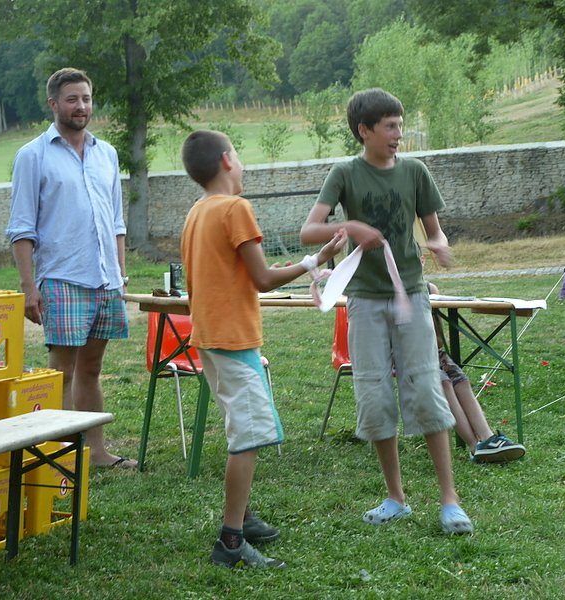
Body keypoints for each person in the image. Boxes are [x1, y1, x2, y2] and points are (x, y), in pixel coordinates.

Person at [300, 88, 473, 535]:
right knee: (374, 396)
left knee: (427, 389)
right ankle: (396, 498)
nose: (398, 134)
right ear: (365, 131)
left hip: (410, 296)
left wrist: (438, 245)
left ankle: (449, 500)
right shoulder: (345, 173)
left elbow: (435, 231)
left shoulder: (415, 172)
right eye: (390, 126)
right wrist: (349, 225)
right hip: (364, 300)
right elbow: (308, 231)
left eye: (400, 125)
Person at [180, 129, 346, 569]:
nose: (243, 162)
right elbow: (262, 280)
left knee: (243, 428)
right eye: (239, 153)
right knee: (248, 438)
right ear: (226, 161)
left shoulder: (197, 212)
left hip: (209, 338)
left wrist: (306, 262)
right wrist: (312, 262)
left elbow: (226, 275)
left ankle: (244, 516)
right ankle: (231, 541)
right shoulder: (236, 208)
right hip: (234, 339)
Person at [6, 67, 134, 469]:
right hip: (61, 278)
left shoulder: (106, 153)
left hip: (104, 279)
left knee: (92, 369)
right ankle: (59, 457)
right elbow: (21, 228)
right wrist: (30, 287)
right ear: (54, 104)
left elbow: (116, 221)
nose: (81, 106)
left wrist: (120, 273)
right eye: (72, 99)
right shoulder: (33, 155)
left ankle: (95, 453)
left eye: (87, 98)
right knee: (61, 372)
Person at [427, 281, 526, 464]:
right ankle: (474, 446)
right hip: (406, 357)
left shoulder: (429, 289)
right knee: (444, 383)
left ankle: (487, 437)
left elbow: (438, 337)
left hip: (433, 352)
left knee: (460, 380)